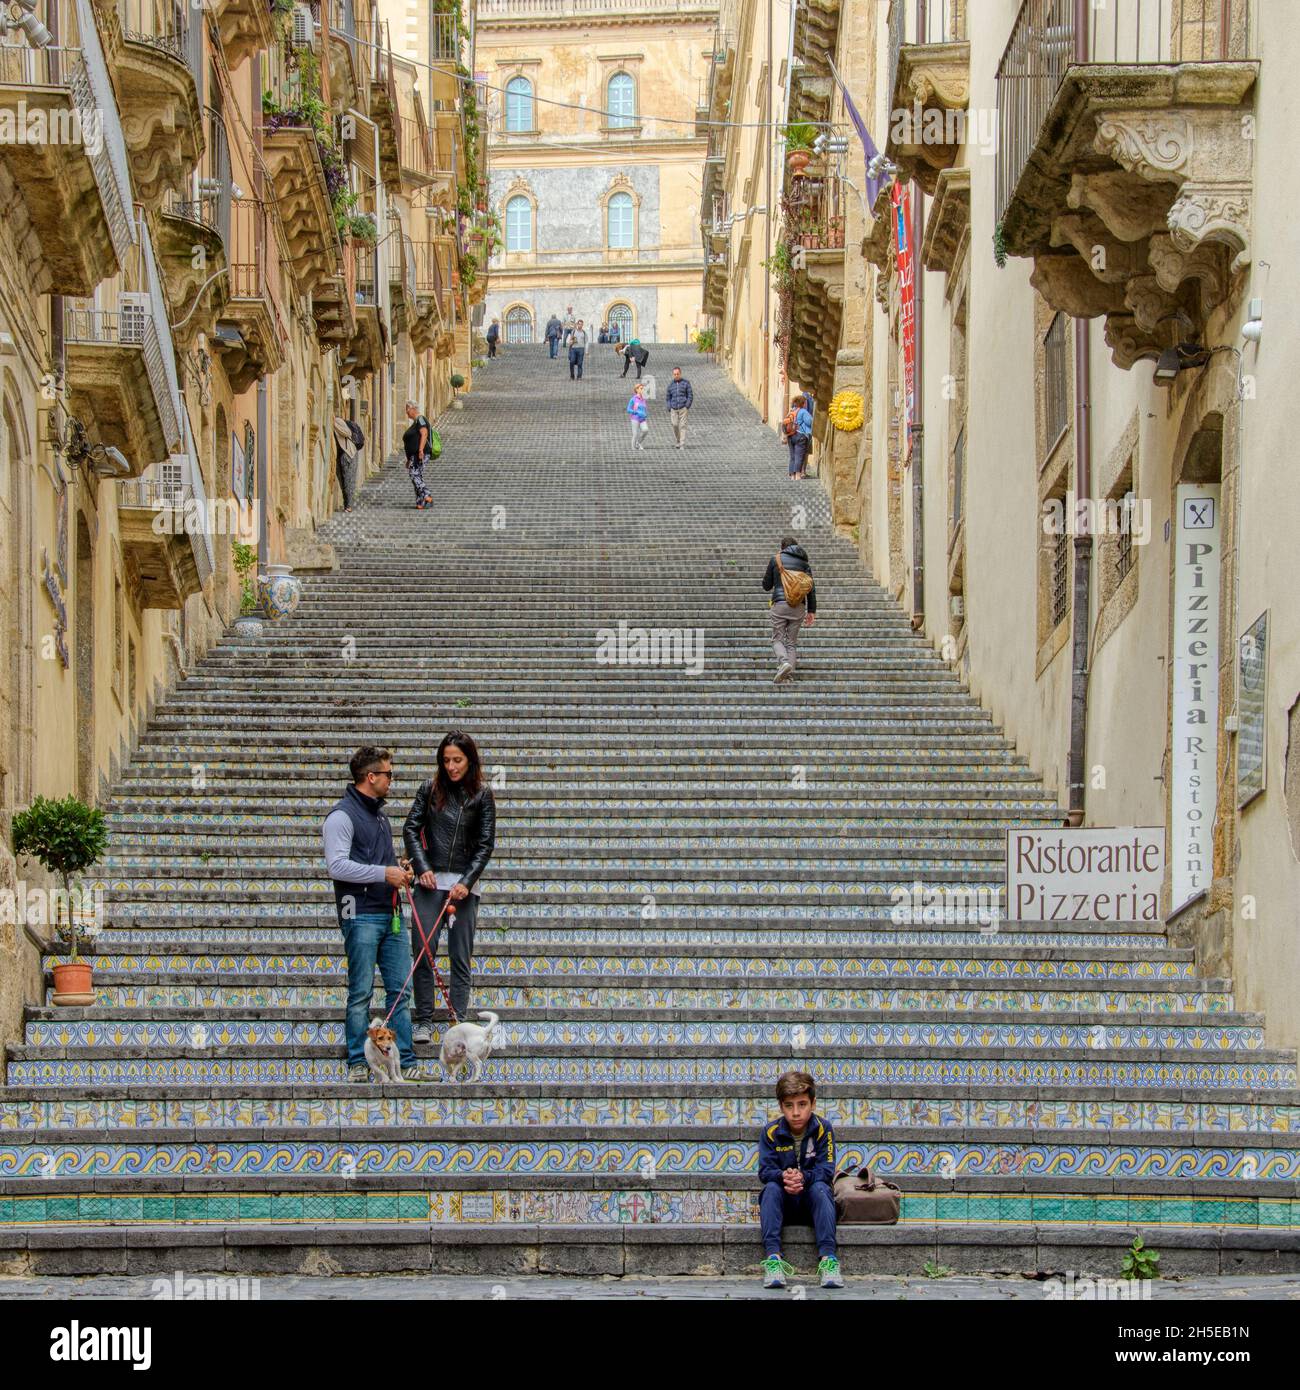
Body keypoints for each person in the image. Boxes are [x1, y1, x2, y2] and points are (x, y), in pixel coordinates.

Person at [322, 747, 418, 1083]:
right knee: (361, 991)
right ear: (371, 777)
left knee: (400, 991)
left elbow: (379, 863)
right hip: (358, 913)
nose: (392, 780)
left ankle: (404, 1060)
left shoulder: (380, 815)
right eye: (389, 774)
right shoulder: (341, 816)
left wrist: (399, 869)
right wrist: (383, 874)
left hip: (390, 913)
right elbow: (336, 866)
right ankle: (357, 1062)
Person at [402, 731, 497, 1036]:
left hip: (463, 889)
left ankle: (457, 1021)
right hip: (430, 884)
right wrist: (422, 867)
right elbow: (410, 830)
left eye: (458, 760)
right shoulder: (428, 789)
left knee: (460, 954)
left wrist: (468, 881)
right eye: (446, 761)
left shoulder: (482, 794)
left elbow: (485, 844)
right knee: (423, 950)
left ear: (470, 760)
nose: (452, 767)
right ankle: (425, 1020)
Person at [758, 1070, 843, 1289]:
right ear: (781, 1106)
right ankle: (774, 1260)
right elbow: (765, 1171)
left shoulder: (824, 1129)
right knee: (770, 1189)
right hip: (783, 1204)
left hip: (811, 1203)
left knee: (822, 1188)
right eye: (789, 1105)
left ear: (813, 1103)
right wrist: (783, 1176)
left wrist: (803, 1177)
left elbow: (826, 1169)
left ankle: (828, 1260)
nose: (796, 1113)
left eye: (802, 1104)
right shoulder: (770, 1132)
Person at [761, 535, 817, 683]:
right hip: (798, 606)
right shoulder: (804, 563)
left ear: (782, 548)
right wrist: (812, 611)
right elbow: (811, 588)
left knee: (777, 639)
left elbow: (766, 586)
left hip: (779, 604)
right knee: (791, 642)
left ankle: (784, 662)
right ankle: (788, 673)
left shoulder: (776, 559)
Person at [402, 400, 435, 510]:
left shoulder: (420, 419)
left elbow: (424, 433)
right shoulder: (415, 422)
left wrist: (420, 450)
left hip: (421, 453)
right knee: (417, 475)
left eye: (407, 409)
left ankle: (427, 495)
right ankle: (420, 501)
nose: (406, 412)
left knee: (414, 474)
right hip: (414, 455)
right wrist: (408, 459)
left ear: (413, 409)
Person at [332, 415, 361, 511]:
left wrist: (334, 424)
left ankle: (349, 505)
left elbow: (347, 433)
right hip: (340, 455)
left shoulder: (338, 421)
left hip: (349, 453)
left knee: (349, 479)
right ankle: (347, 504)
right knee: (342, 480)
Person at [782, 393, 814, 480]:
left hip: (790, 435)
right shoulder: (803, 411)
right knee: (799, 455)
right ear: (803, 403)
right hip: (800, 435)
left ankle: (792, 475)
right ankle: (798, 475)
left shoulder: (791, 411)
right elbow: (810, 422)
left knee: (792, 456)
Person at [665, 366, 693, 449]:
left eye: (677, 374)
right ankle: (678, 440)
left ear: (680, 374)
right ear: (673, 375)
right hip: (673, 408)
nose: (676, 375)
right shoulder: (670, 385)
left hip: (683, 408)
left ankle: (682, 443)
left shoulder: (686, 383)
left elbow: (690, 395)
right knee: (675, 424)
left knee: (683, 426)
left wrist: (687, 405)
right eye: (674, 374)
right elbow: (668, 397)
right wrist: (669, 406)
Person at [626, 382, 648, 452]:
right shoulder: (633, 399)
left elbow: (644, 408)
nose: (642, 390)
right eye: (641, 389)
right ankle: (633, 448)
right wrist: (635, 412)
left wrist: (645, 413)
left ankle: (638, 443)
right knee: (635, 434)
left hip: (642, 419)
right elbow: (628, 409)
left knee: (645, 430)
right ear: (637, 390)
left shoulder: (643, 399)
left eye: (643, 389)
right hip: (635, 418)